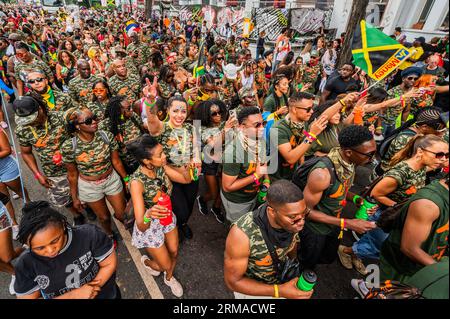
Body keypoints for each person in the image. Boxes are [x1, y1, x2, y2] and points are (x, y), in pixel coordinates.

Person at [339, 134, 448, 271]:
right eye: (439, 155)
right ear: (420, 152)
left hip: (397, 217)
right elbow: (376, 193)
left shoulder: (422, 167)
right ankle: (347, 251)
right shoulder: (400, 174)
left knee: (376, 245)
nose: (443, 159)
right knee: (374, 244)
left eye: (446, 155)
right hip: (386, 216)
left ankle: (356, 254)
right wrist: (400, 208)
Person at [297, 125, 378, 270]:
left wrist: (355, 199)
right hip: (316, 230)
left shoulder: (349, 164)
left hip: (334, 224)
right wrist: (348, 223)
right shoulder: (322, 174)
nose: (372, 159)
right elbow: (305, 211)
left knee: (327, 257)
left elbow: (340, 188)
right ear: (348, 152)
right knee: (307, 263)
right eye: (368, 154)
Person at [224, 180, 313, 299]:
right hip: (256, 291)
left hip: (281, 282)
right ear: (271, 212)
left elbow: (292, 244)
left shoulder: (290, 221)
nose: (301, 222)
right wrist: (279, 291)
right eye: (293, 217)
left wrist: (292, 263)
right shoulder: (241, 235)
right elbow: (233, 282)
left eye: (304, 214)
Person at [14, 201, 120, 299]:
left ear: (63, 225)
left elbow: (108, 264)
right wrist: (74, 295)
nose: (51, 250)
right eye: (40, 248)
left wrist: (92, 289)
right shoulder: (26, 263)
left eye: (55, 241)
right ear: (27, 244)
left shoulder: (89, 235)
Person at [127, 135, 191, 297]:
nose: (164, 157)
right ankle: (148, 263)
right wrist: (149, 213)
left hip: (167, 216)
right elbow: (142, 225)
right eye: (160, 155)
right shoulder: (136, 182)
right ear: (147, 161)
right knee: (163, 264)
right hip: (151, 226)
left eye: (163, 152)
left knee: (174, 252)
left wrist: (187, 165)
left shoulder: (161, 166)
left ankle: (169, 278)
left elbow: (186, 180)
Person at [14, 96, 88, 225]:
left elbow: (84, 120)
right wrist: (37, 174)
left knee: (85, 193)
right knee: (63, 198)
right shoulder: (22, 129)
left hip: (78, 166)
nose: (28, 123)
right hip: (53, 172)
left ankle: (89, 207)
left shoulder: (60, 118)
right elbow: (26, 153)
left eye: (31, 118)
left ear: (40, 110)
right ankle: (77, 215)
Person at [61, 107, 128, 242]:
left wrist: (126, 179)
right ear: (77, 126)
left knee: (122, 214)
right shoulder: (69, 146)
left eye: (95, 117)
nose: (94, 122)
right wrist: (75, 198)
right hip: (89, 186)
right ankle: (109, 234)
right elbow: (72, 174)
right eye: (88, 121)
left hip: (111, 180)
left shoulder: (106, 136)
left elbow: (116, 161)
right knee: (104, 217)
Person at [145, 84, 202, 240]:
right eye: (175, 111)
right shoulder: (161, 128)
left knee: (189, 206)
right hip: (170, 176)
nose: (180, 115)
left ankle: (182, 224)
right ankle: (175, 227)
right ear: (168, 111)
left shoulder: (190, 128)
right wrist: (150, 101)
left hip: (191, 174)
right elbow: (152, 122)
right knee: (180, 209)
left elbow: (196, 147)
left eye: (183, 111)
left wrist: (196, 158)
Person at [379, 174, 449, 283]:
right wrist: (442, 274)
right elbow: (410, 248)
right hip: (399, 272)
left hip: (422, 270)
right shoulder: (428, 204)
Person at [221, 107, 269, 222]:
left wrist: (266, 181)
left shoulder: (260, 139)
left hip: (255, 194)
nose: (262, 128)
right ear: (243, 128)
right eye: (257, 125)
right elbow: (227, 187)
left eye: (264, 123)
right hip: (238, 202)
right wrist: (256, 176)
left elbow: (262, 164)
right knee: (238, 227)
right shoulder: (232, 153)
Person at [194, 99, 236, 223]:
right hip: (211, 164)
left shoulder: (225, 123)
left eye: (220, 112)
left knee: (223, 192)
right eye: (214, 113)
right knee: (213, 193)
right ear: (207, 115)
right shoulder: (203, 129)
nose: (218, 115)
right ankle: (202, 199)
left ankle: (216, 208)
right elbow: (213, 145)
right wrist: (226, 130)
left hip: (224, 162)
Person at [103, 95, 145, 175]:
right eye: (128, 108)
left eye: (131, 107)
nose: (132, 110)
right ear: (118, 111)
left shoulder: (133, 117)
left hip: (142, 159)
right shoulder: (105, 126)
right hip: (126, 166)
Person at [0, 125, 29, 237]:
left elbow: (6, 150)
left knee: (20, 191)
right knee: (4, 200)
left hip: (7, 168)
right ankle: (14, 224)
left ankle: (35, 210)